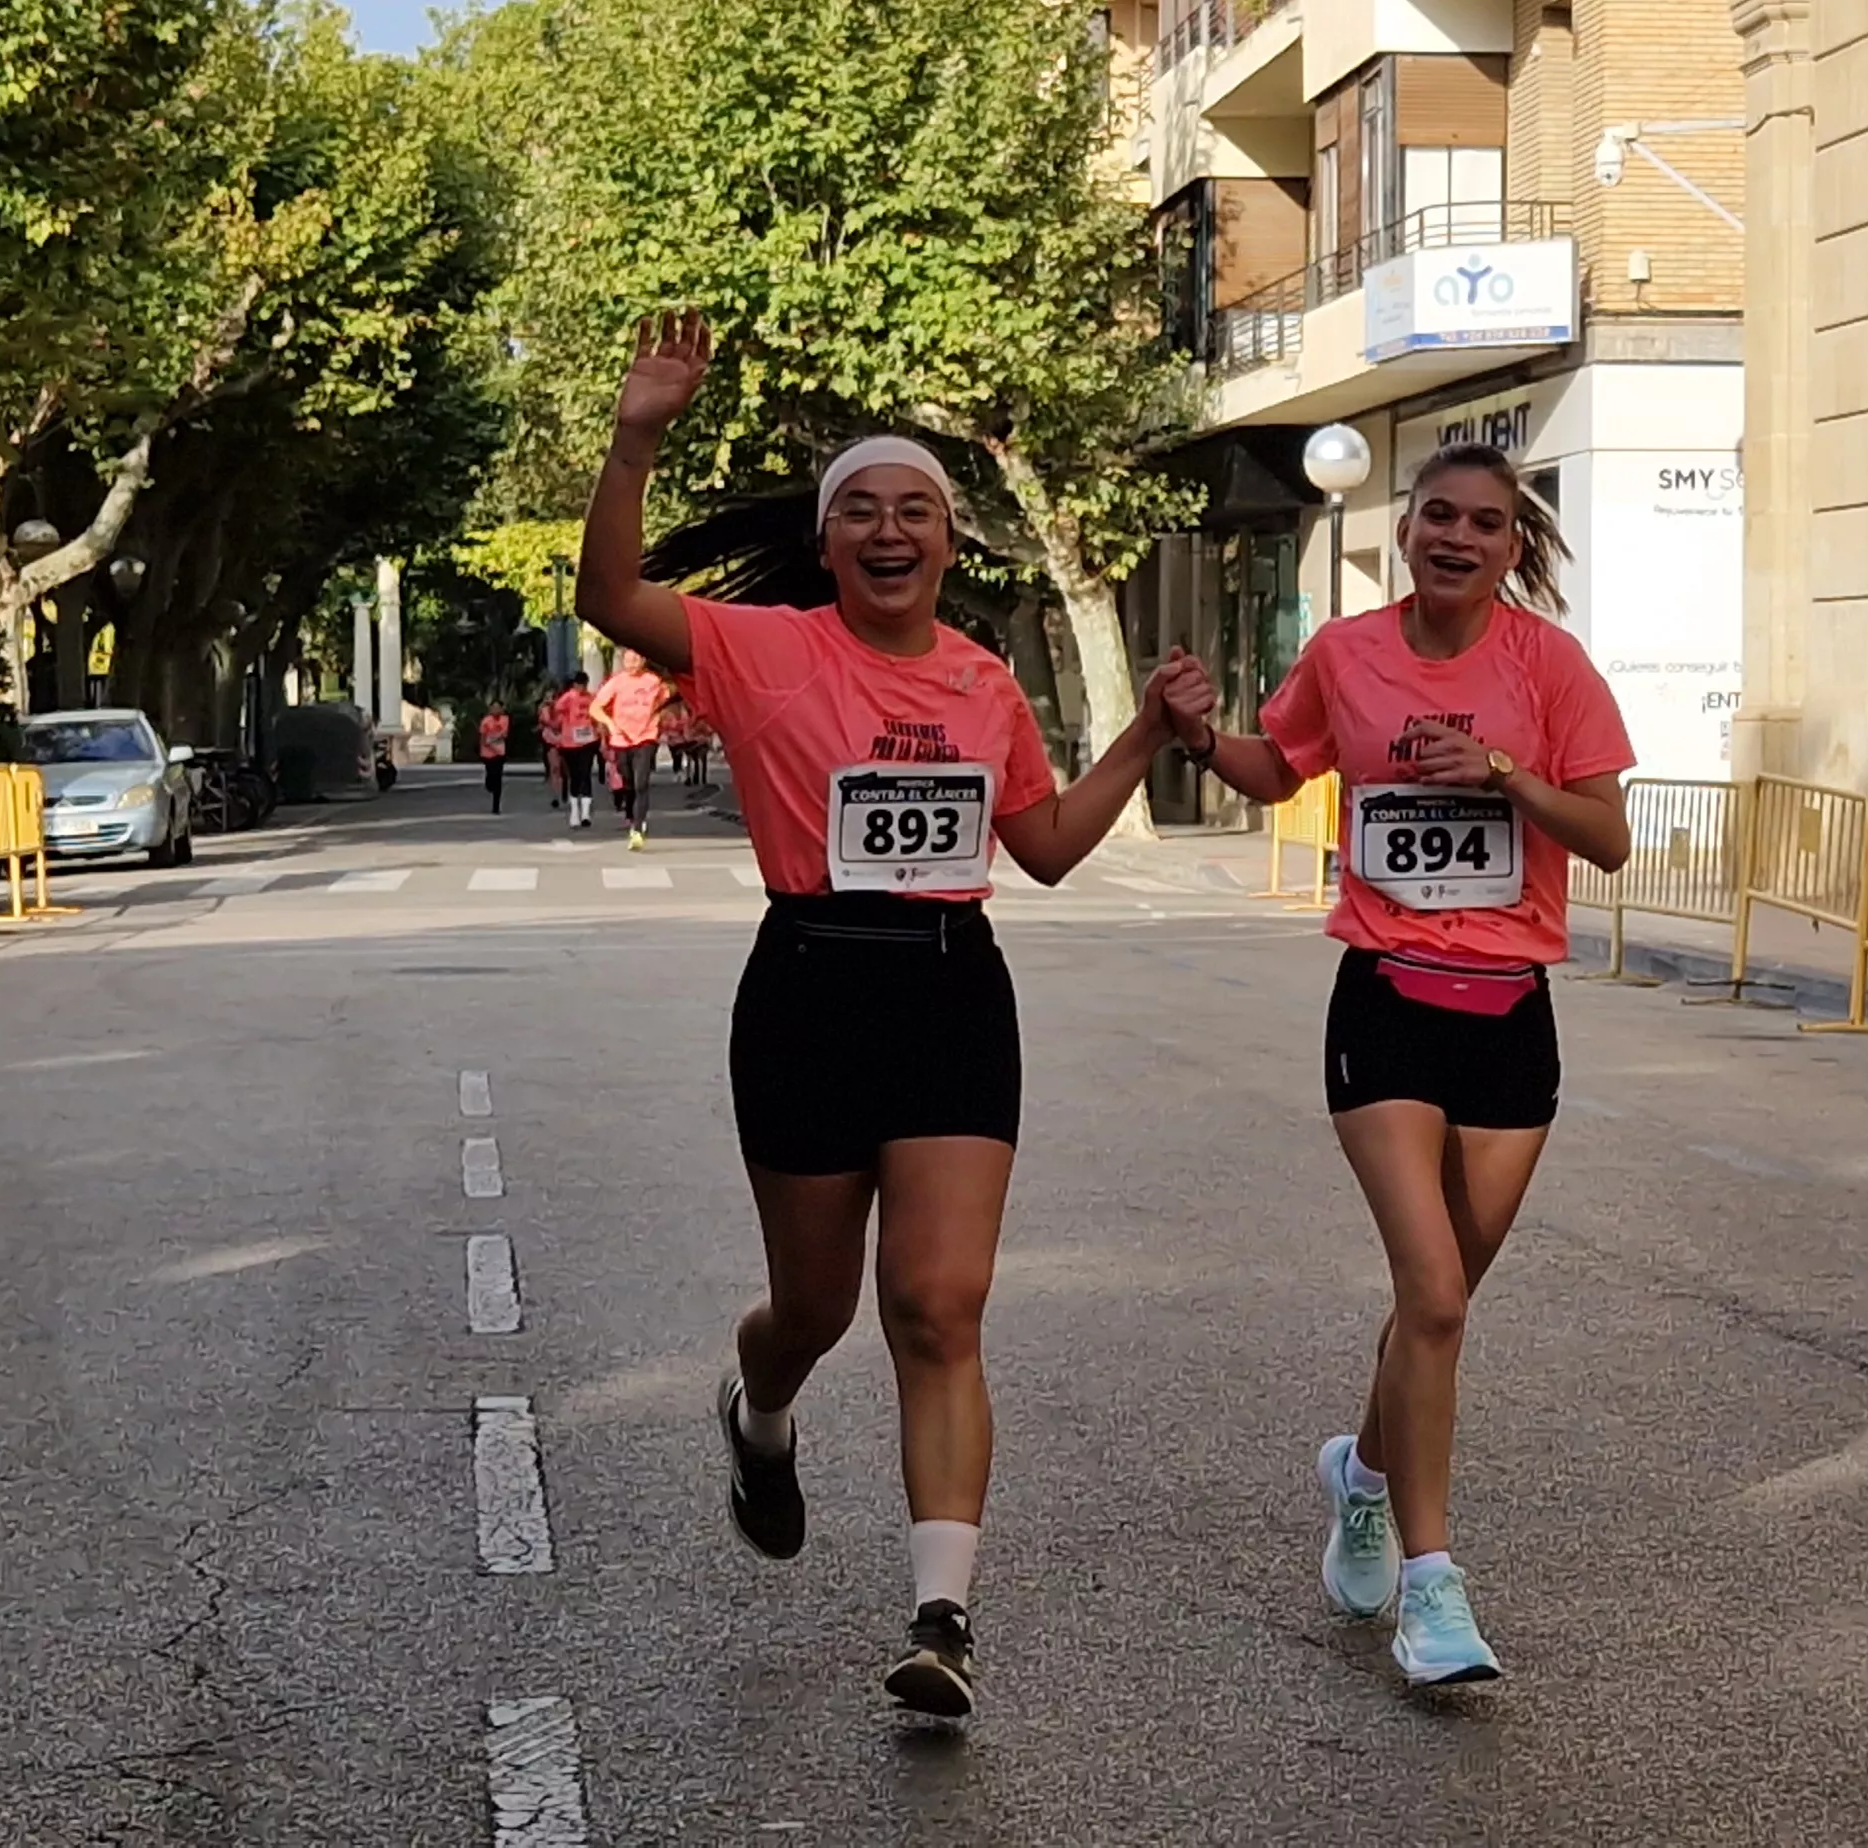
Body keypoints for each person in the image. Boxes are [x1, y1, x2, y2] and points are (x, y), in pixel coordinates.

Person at [573, 313, 1173, 1718]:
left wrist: (1143, 736)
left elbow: (1044, 845)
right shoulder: (759, 648)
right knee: (817, 1308)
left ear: (952, 543)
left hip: (954, 986)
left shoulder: (982, 679)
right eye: (863, 511)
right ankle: (759, 1408)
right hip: (809, 986)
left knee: (941, 1305)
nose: (891, 529)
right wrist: (639, 429)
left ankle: (942, 1615)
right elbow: (611, 596)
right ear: (832, 543)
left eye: (917, 510)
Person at [1153, 441, 1635, 1688]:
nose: (1457, 538)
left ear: (1512, 547)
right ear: (1406, 527)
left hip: (1509, 1008)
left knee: (1444, 1303)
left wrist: (1508, 774)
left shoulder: (1549, 667)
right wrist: (1203, 739)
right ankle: (1432, 1588)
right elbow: (1279, 766)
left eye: (1484, 523)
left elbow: (1611, 839)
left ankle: (1360, 1477)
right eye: (1436, 516)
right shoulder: (1347, 654)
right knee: (1428, 1293)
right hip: (1386, 999)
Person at [592, 650, 669, 849]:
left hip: (646, 737)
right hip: (621, 739)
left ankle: (637, 828)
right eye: (628, 660)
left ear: (643, 660)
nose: (632, 663)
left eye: (636, 659)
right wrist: (609, 724)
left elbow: (668, 697)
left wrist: (659, 715)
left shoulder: (653, 681)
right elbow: (595, 708)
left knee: (641, 782)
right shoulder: (617, 682)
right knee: (628, 783)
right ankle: (631, 811)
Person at [549, 671, 603, 828]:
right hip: (570, 742)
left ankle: (586, 814)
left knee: (586, 773)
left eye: (584, 684)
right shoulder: (568, 697)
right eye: (578, 684)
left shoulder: (591, 698)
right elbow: (556, 711)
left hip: (588, 740)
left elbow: (597, 715)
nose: (581, 687)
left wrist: (599, 731)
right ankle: (574, 811)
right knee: (575, 777)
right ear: (574, 684)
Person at [477, 706, 515, 813]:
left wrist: (496, 739)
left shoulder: (505, 719)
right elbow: (483, 736)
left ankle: (496, 806)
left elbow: (505, 734)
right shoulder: (486, 721)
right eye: (494, 708)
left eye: (498, 708)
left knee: (498, 777)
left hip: (499, 752)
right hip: (488, 752)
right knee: (491, 775)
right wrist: (483, 748)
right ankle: (488, 783)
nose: (496, 710)